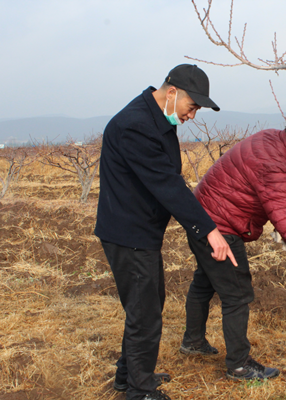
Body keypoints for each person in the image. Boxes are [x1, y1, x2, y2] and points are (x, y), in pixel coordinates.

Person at [94, 64, 237, 400]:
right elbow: (167, 184)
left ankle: (129, 375)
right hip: (128, 233)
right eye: (193, 106)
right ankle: (139, 390)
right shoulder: (136, 126)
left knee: (147, 305)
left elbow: (169, 180)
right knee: (144, 312)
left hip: (138, 231)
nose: (193, 114)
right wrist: (209, 230)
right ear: (172, 93)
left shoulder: (154, 120)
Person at [179, 114, 286, 381]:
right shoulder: (275, 163)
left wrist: (276, 222)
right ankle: (238, 364)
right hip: (220, 227)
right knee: (237, 295)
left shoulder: (272, 139)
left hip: (202, 218)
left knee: (204, 282)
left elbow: (258, 191)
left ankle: (193, 342)